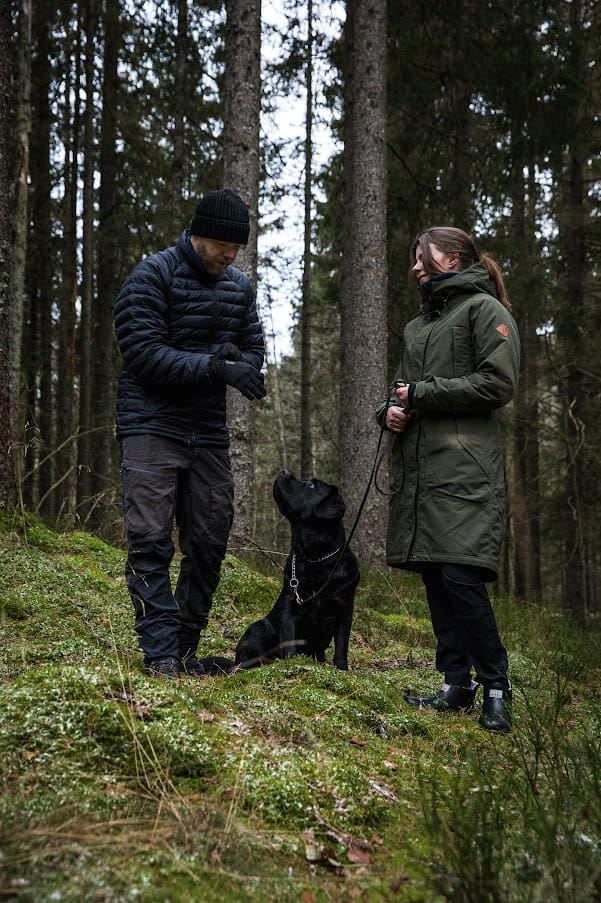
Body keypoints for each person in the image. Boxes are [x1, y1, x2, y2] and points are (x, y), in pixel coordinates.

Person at [114, 188, 266, 679]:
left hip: (208, 432)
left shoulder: (239, 288)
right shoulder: (151, 276)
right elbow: (143, 354)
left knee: (209, 541)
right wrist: (218, 366)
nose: (231, 255)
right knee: (150, 540)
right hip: (150, 425)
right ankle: (159, 654)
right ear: (201, 233)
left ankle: (182, 647)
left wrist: (242, 366)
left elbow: (253, 348)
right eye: (225, 245)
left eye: (237, 248)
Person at [377, 226, 520, 732]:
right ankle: (455, 685)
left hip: (466, 472)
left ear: (453, 258)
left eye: (423, 257)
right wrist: (391, 411)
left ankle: (496, 686)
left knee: (462, 578)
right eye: (413, 258)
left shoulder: (485, 311)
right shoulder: (418, 327)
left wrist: (420, 393)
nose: (416, 266)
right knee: (438, 578)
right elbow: (401, 392)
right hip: (422, 472)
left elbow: (497, 383)